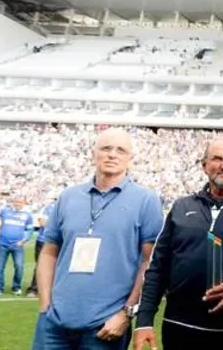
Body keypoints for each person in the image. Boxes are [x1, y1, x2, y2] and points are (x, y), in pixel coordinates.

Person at [32, 128, 164, 350]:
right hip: (54, 323)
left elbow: (149, 262)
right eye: (106, 148)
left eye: (120, 150)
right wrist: (45, 306)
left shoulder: (146, 201)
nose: (112, 154)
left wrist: (126, 313)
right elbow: (49, 251)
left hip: (106, 325)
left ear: (130, 157)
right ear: (93, 153)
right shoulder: (69, 196)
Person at [134, 138, 223, 350]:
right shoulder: (181, 207)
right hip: (180, 328)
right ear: (204, 165)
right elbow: (158, 268)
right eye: (217, 158)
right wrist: (144, 320)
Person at [0, 195, 34, 296]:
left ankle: (16, 287)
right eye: (16, 202)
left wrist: (24, 240)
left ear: (24, 203)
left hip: (17, 245)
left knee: (19, 267)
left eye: (20, 202)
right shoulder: (5, 211)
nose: (17, 204)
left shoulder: (27, 215)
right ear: (13, 202)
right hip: (3, 243)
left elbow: (29, 230)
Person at [26, 190, 60, 297]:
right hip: (44, 240)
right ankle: (34, 288)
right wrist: (58, 228)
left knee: (60, 266)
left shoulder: (68, 209)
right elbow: (42, 222)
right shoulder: (49, 208)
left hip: (61, 242)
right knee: (41, 265)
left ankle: (53, 289)